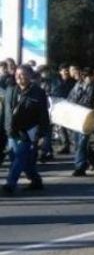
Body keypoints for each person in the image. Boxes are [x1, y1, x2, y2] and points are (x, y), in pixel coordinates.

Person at [1, 65, 49, 194]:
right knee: (19, 159)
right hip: (12, 131)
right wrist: (4, 129)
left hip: (28, 131)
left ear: (29, 76)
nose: (18, 77)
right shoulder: (10, 90)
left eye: (22, 74)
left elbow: (43, 115)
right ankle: (36, 180)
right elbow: (5, 112)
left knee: (20, 157)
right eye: (17, 74)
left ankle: (10, 184)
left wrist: (43, 134)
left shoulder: (38, 92)